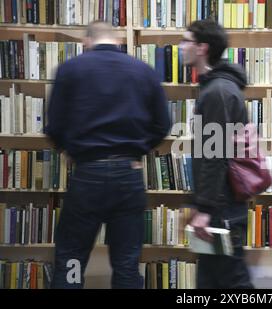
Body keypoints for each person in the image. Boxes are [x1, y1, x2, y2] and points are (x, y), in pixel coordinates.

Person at [46, 21, 171, 289]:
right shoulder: (143, 71)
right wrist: (139, 149)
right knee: (126, 262)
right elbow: (163, 124)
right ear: (117, 41)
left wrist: (68, 150)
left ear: (86, 41)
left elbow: (54, 125)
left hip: (88, 174)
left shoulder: (70, 70)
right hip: (129, 173)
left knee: (72, 259)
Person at [179, 19, 253, 289]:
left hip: (221, 209)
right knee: (212, 281)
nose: (181, 46)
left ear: (202, 48)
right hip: (221, 205)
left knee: (234, 282)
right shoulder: (218, 88)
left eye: (186, 40)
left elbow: (214, 153)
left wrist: (205, 209)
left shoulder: (217, 92)